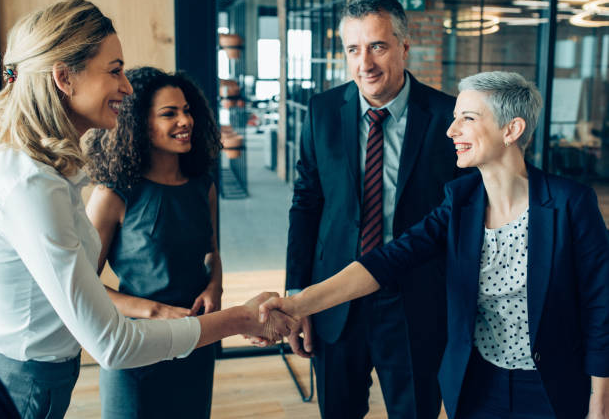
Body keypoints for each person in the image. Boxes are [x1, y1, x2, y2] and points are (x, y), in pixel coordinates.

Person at [0, 0, 291, 419]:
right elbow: (112, 344)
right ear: (64, 78)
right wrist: (241, 319)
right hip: (32, 382)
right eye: (114, 70)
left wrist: (214, 294)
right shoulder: (32, 184)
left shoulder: (46, 172)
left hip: (53, 375)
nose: (127, 86)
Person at [261, 71, 609, 419]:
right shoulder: (460, 201)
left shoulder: (569, 204)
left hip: (552, 386)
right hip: (478, 384)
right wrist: (297, 302)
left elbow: (601, 306)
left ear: (511, 130)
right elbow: (387, 260)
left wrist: (600, 402)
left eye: (467, 118)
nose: (451, 130)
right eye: (455, 117)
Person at [284, 0, 459, 419]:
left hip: (414, 299)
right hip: (335, 299)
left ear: (403, 46)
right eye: (353, 49)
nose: (365, 63)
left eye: (378, 46)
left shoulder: (448, 118)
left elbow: (460, 217)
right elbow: (306, 204)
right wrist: (298, 293)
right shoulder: (322, 111)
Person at [84, 67, 221, 418]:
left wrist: (215, 287)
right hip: (136, 346)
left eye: (187, 110)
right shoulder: (112, 195)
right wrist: (155, 311)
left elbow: (212, 252)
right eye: (169, 113)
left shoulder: (202, 185)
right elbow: (83, 287)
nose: (185, 121)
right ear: (139, 123)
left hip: (195, 338)